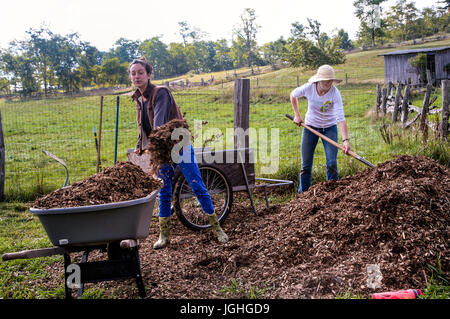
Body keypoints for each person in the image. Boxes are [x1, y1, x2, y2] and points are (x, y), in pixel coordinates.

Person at [129, 57, 228, 249]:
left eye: (140, 72)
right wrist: (141, 145)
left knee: (196, 184)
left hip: (178, 145)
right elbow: (143, 126)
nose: (137, 76)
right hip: (161, 149)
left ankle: (217, 228)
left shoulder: (161, 93)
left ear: (148, 75)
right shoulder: (138, 99)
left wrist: (153, 142)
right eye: (133, 73)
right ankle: (164, 236)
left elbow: (158, 124)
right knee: (163, 191)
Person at [290, 64, 351, 194]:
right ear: (319, 80)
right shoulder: (309, 88)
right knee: (305, 166)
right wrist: (297, 115)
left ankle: (332, 194)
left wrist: (345, 140)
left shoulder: (335, 93)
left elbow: (340, 118)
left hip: (329, 128)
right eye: (325, 80)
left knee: (332, 163)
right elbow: (293, 95)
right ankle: (303, 195)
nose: (328, 83)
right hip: (310, 127)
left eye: (330, 80)